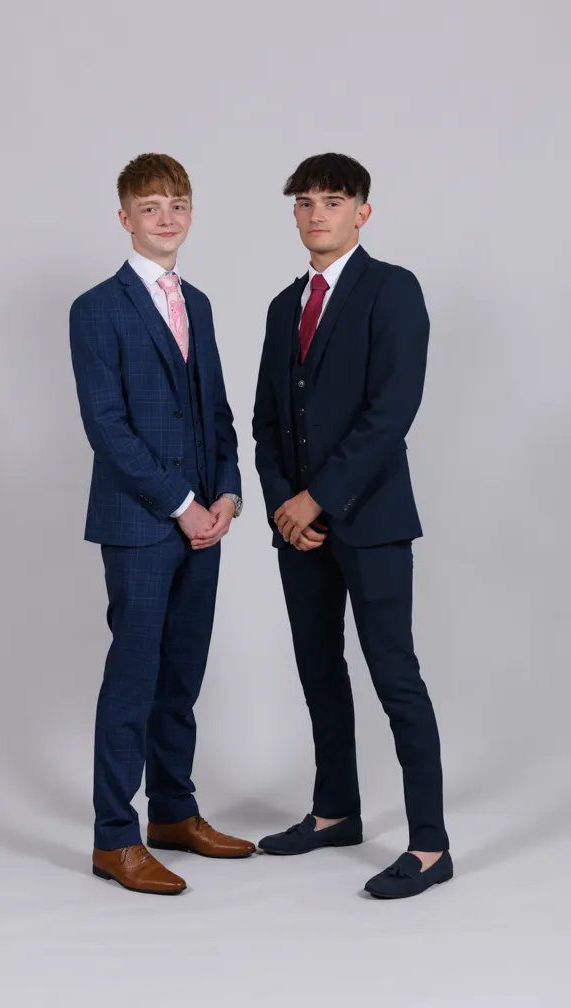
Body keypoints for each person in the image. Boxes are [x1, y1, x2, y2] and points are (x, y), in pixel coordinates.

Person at [252, 153, 452, 899]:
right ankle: (335, 810)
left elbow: (392, 410)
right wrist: (285, 505)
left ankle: (430, 846)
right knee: (318, 671)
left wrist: (319, 499)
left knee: (395, 676)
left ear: (362, 212)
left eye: (332, 201)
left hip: (371, 521)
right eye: (305, 202)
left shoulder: (392, 289)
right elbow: (266, 421)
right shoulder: (284, 306)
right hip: (297, 530)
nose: (317, 213)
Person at [70, 153, 252, 896]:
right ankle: (115, 837)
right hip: (143, 523)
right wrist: (183, 503)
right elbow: (107, 427)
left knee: (181, 674)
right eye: (150, 207)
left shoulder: (197, 303)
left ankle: (174, 812)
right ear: (125, 217)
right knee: (134, 677)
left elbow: (215, 411)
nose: (166, 218)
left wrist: (228, 494)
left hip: (206, 523)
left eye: (177, 205)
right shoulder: (96, 308)